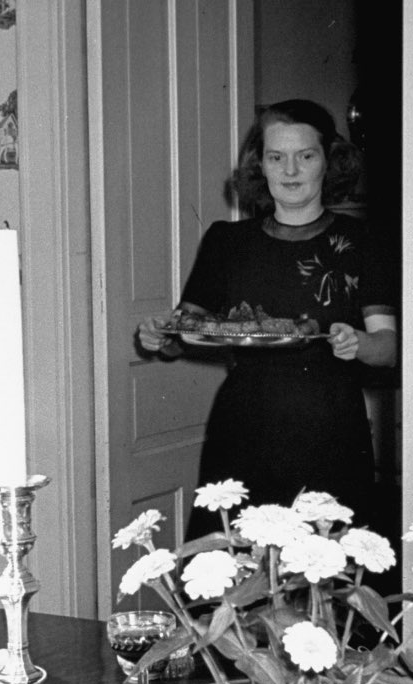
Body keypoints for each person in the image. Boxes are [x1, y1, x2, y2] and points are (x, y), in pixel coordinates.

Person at [137, 99, 398, 539]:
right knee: (232, 565)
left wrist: (358, 341)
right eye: (277, 157)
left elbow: (387, 349)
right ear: (260, 165)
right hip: (243, 431)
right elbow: (186, 331)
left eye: (306, 156)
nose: (290, 170)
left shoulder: (363, 241)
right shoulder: (226, 241)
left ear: (329, 161)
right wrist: (160, 336)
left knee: (325, 566)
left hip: (330, 432)